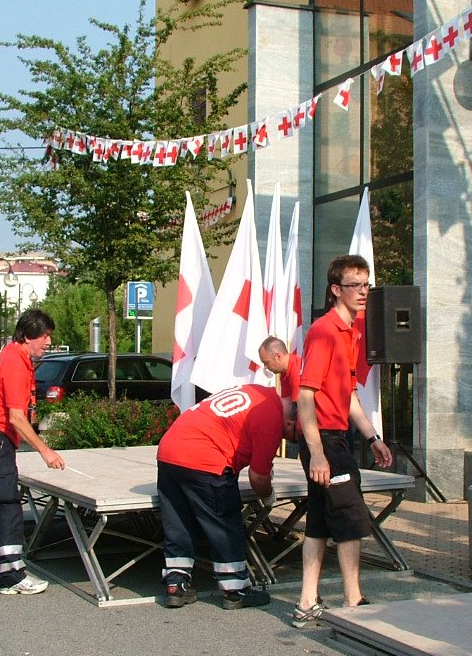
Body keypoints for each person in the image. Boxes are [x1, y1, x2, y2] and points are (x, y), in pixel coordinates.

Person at [292, 254, 393, 627]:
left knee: (319, 521)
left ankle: (306, 601)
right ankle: (353, 601)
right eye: (355, 285)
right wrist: (317, 453)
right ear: (337, 289)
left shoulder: (351, 331)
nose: (363, 292)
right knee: (351, 518)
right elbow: (305, 396)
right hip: (326, 443)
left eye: (367, 285)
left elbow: (347, 395)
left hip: (338, 438)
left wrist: (372, 437)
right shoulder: (325, 331)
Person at [156, 384, 295, 609]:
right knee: (224, 522)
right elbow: (258, 477)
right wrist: (269, 497)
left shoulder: (258, 392)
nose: (288, 439)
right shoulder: (272, 421)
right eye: (292, 436)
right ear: (289, 424)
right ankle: (235, 589)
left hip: (170, 451)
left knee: (178, 522)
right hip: (206, 458)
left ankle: (176, 584)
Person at [0, 308, 65, 595]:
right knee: (7, 504)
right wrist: (45, 450)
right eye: (44, 336)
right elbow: (16, 417)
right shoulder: (15, 362)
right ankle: (12, 574)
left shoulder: (9, 354)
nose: (48, 342)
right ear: (27, 336)